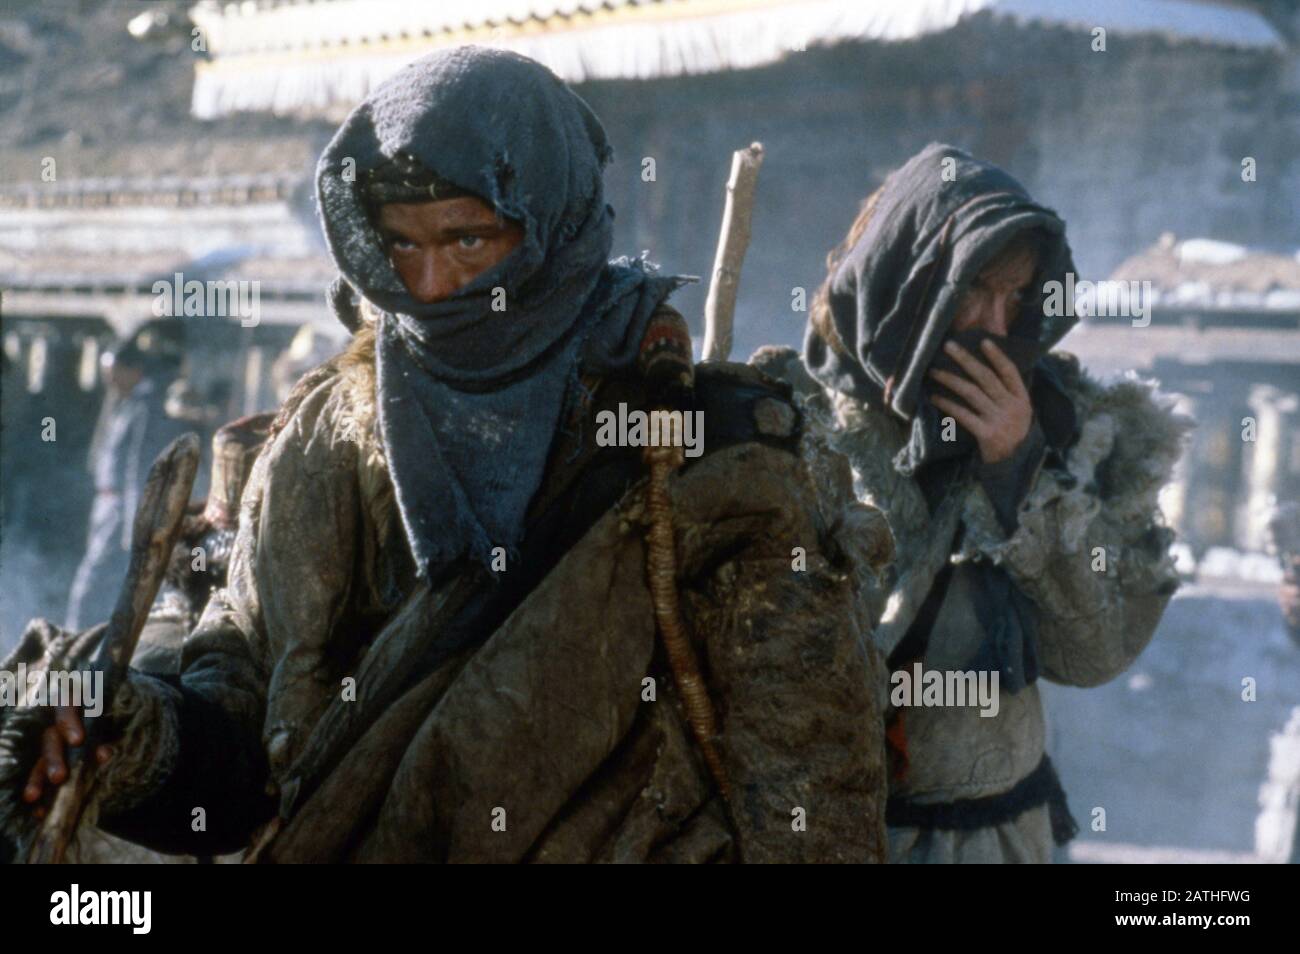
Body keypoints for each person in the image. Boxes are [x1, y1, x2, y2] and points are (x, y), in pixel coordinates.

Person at [3, 47, 891, 863]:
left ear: (551, 225)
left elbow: (809, 792)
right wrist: (136, 736)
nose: (429, 289)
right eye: (402, 243)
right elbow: (245, 697)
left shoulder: (706, 453)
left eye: (468, 239)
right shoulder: (330, 436)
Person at [755, 142, 1189, 863]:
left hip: (995, 839)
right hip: (827, 839)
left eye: (1015, 296)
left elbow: (1095, 653)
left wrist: (1017, 473)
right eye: (972, 291)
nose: (994, 324)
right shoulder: (793, 424)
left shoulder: (1063, 428)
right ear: (907, 282)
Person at [64, 323, 188, 631]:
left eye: (114, 371)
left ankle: (74, 643)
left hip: (121, 510)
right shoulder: (126, 403)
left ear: (132, 370)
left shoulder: (145, 407)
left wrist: (135, 523)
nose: (109, 379)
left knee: (93, 584)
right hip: (107, 506)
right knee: (102, 582)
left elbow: (140, 468)